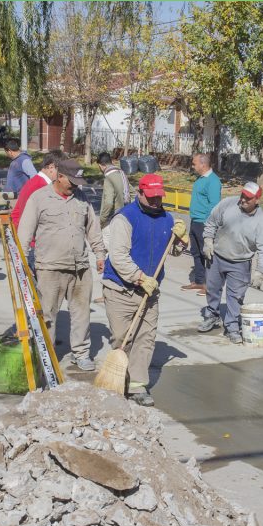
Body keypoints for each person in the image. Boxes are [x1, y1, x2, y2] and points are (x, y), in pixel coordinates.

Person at [102, 174, 188, 406]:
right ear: (139, 193)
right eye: (151, 197)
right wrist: (139, 278)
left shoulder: (167, 218)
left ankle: (138, 385)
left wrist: (181, 240)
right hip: (120, 288)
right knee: (122, 337)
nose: (155, 201)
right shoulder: (125, 219)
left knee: (145, 338)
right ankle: (121, 379)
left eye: (159, 197)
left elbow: (175, 252)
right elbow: (118, 257)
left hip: (150, 292)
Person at [18, 158, 106, 372]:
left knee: (81, 312)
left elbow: (92, 227)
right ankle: (47, 356)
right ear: (59, 176)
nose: (75, 186)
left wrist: (100, 253)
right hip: (50, 268)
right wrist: (21, 261)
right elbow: (24, 232)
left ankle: (82, 353)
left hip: (80, 267)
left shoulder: (81, 198)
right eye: (72, 181)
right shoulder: (39, 198)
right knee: (48, 315)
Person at [198, 182, 263, 344]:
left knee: (236, 297)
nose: (244, 200)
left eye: (248, 198)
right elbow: (211, 221)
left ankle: (231, 326)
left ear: (257, 200)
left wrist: (260, 271)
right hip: (216, 256)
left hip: (240, 262)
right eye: (243, 195)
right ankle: (212, 315)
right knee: (212, 289)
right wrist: (208, 240)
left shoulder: (261, 221)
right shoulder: (228, 204)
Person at [182, 153, 221, 294]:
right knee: (196, 252)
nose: (193, 166)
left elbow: (214, 205)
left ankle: (210, 285)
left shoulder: (213, 181)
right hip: (195, 221)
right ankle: (199, 281)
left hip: (205, 223)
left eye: (194, 164)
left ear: (203, 164)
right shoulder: (200, 179)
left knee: (207, 254)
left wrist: (207, 223)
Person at [11, 150, 60, 228]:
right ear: (51, 167)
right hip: (33, 236)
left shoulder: (35, 181)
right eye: (61, 171)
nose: (62, 175)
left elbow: (17, 211)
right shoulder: (42, 186)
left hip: (23, 231)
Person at [97, 151, 131, 233]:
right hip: (125, 217)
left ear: (102, 165)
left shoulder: (108, 177)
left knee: (107, 245)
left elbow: (108, 203)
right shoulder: (122, 174)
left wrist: (101, 220)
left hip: (111, 221)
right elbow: (133, 193)